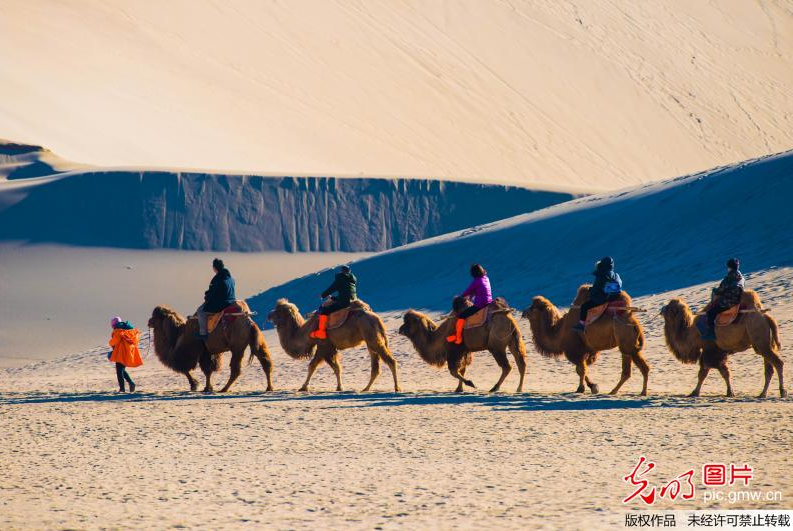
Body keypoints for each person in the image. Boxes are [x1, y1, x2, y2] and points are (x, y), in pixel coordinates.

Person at [573, 257, 622, 332]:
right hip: (613, 296)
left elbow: (597, 288)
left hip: (603, 298)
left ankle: (581, 325)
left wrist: (590, 291)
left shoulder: (602, 275)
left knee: (584, 306)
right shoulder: (615, 275)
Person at [447, 264, 493, 344]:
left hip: (480, 304)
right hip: (489, 302)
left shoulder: (476, 281)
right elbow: (477, 290)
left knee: (462, 316)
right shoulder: (486, 278)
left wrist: (460, 298)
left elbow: (467, 292)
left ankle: (458, 338)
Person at [311, 265, 357, 339]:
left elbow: (332, 288)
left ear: (342, 271)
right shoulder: (352, 280)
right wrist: (333, 298)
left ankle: (321, 332)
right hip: (353, 301)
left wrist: (323, 295)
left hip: (344, 303)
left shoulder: (341, 278)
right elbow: (346, 293)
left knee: (325, 311)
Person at [703, 258, 744, 340]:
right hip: (737, 301)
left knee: (710, 313)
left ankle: (711, 334)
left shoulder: (729, 278)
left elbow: (721, 290)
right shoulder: (741, 278)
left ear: (729, 267)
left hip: (727, 302)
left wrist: (715, 290)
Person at [196, 258, 236, 339]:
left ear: (214, 268)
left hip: (221, 305)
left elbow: (212, 294)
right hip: (231, 302)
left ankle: (203, 333)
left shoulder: (217, 280)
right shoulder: (231, 279)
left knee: (200, 311)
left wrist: (206, 296)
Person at [108, 316, 143, 392]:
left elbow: (114, 341)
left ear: (113, 325)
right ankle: (131, 383)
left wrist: (110, 342)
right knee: (121, 369)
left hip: (121, 353)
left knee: (119, 370)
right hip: (129, 352)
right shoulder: (130, 330)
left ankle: (122, 388)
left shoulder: (118, 330)